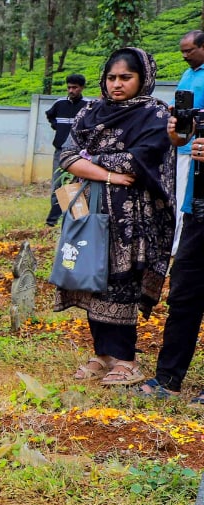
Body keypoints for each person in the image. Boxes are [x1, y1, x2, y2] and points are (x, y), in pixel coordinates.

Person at [58, 47, 174, 386]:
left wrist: (90, 160)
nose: (117, 85)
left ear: (143, 79)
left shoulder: (154, 115)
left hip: (131, 216)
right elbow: (66, 155)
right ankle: (102, 355)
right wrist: (106, 174)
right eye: (111, 78)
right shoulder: (90, 113)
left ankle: (126, 360)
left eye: (126, 77)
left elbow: (138, 162)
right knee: (90, 273)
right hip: (90, 207)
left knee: (122, 280)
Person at [137, 77, 204, 401]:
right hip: (197, 210)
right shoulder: (195, 85)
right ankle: (168, 378)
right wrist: (178, 134)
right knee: (184, 295)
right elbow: (181, 142)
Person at [173, 31, 204, 254]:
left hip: (198, 150)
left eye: (189, 51)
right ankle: (176, 244)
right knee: (178, 197)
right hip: (181, 145)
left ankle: (180, 247)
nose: (184, 55)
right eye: (182, 51)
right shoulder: (187, 74)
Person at [45, 74, 89, 227]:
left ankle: (75, 218)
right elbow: (50, 116)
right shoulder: (59, 103)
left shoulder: (88, 105)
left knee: (76, 184)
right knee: (58, 183)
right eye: (69, 87)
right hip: (60, 150)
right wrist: (59, 129)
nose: (71, 90)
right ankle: (54, 219)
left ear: (82, 88)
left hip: (80, 153)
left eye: (75, 88)